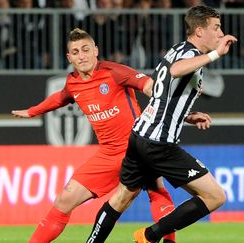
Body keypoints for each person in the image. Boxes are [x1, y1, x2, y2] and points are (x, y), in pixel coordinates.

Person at [85, 5, 237, 243]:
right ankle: (149, 235)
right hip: (159, 143)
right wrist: (216, 54)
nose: (220, 34)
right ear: (199, 31)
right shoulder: (189, 57)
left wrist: (185, 115)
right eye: (216, 28)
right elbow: (176, 71)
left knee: (122, 198)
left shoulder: (178, 49)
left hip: (140, 136)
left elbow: (161, 91)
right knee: (215, 196)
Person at [11, 28, 177, 243]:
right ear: (69, 57)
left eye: (86, 50)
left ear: (96, 51)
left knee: (156, 189)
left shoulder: (115, 71)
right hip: (108, 155)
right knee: (64, 199)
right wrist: (33, 111)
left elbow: (149, 86)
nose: (81, 56)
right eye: (76, 52)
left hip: (138, 147)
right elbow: (60, 98)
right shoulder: (73, 83)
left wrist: (178, 108)